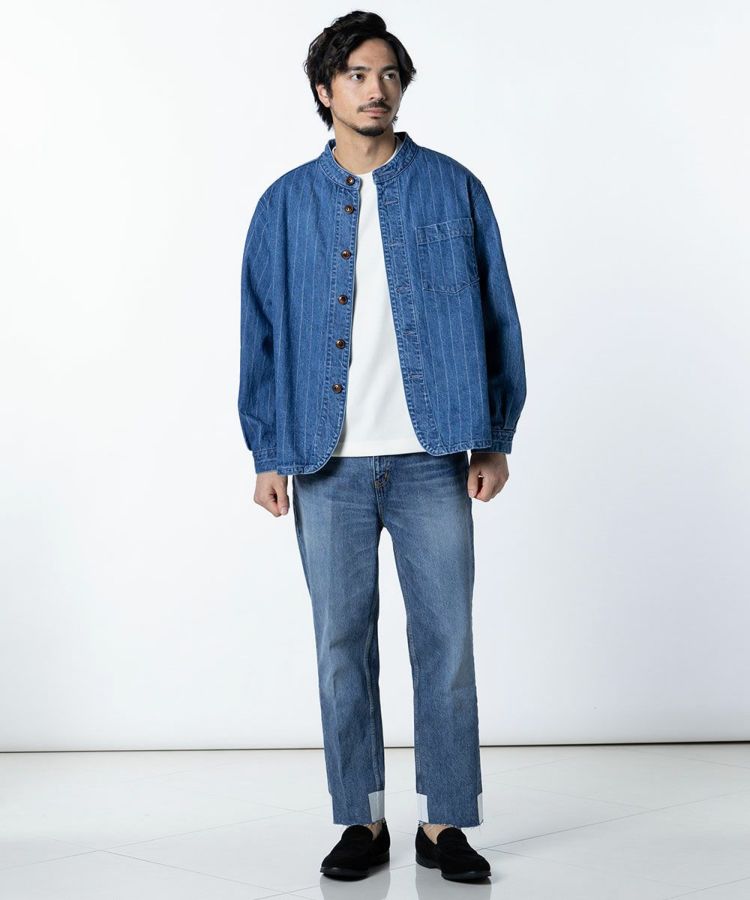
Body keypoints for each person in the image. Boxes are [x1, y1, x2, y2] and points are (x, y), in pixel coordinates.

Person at [238, 10, 527, 883]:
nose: (377, 89)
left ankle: (445, 823)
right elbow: (260, 335)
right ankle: (361, 819)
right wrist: (266, 452)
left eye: (390, 73)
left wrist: (494, 437)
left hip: (433, 456)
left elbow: (498, 315)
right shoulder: (285, 204)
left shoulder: (452, 188)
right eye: (358, 74)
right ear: (324, 89)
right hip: (324, 459)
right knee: (341, 646)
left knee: (447, 644)